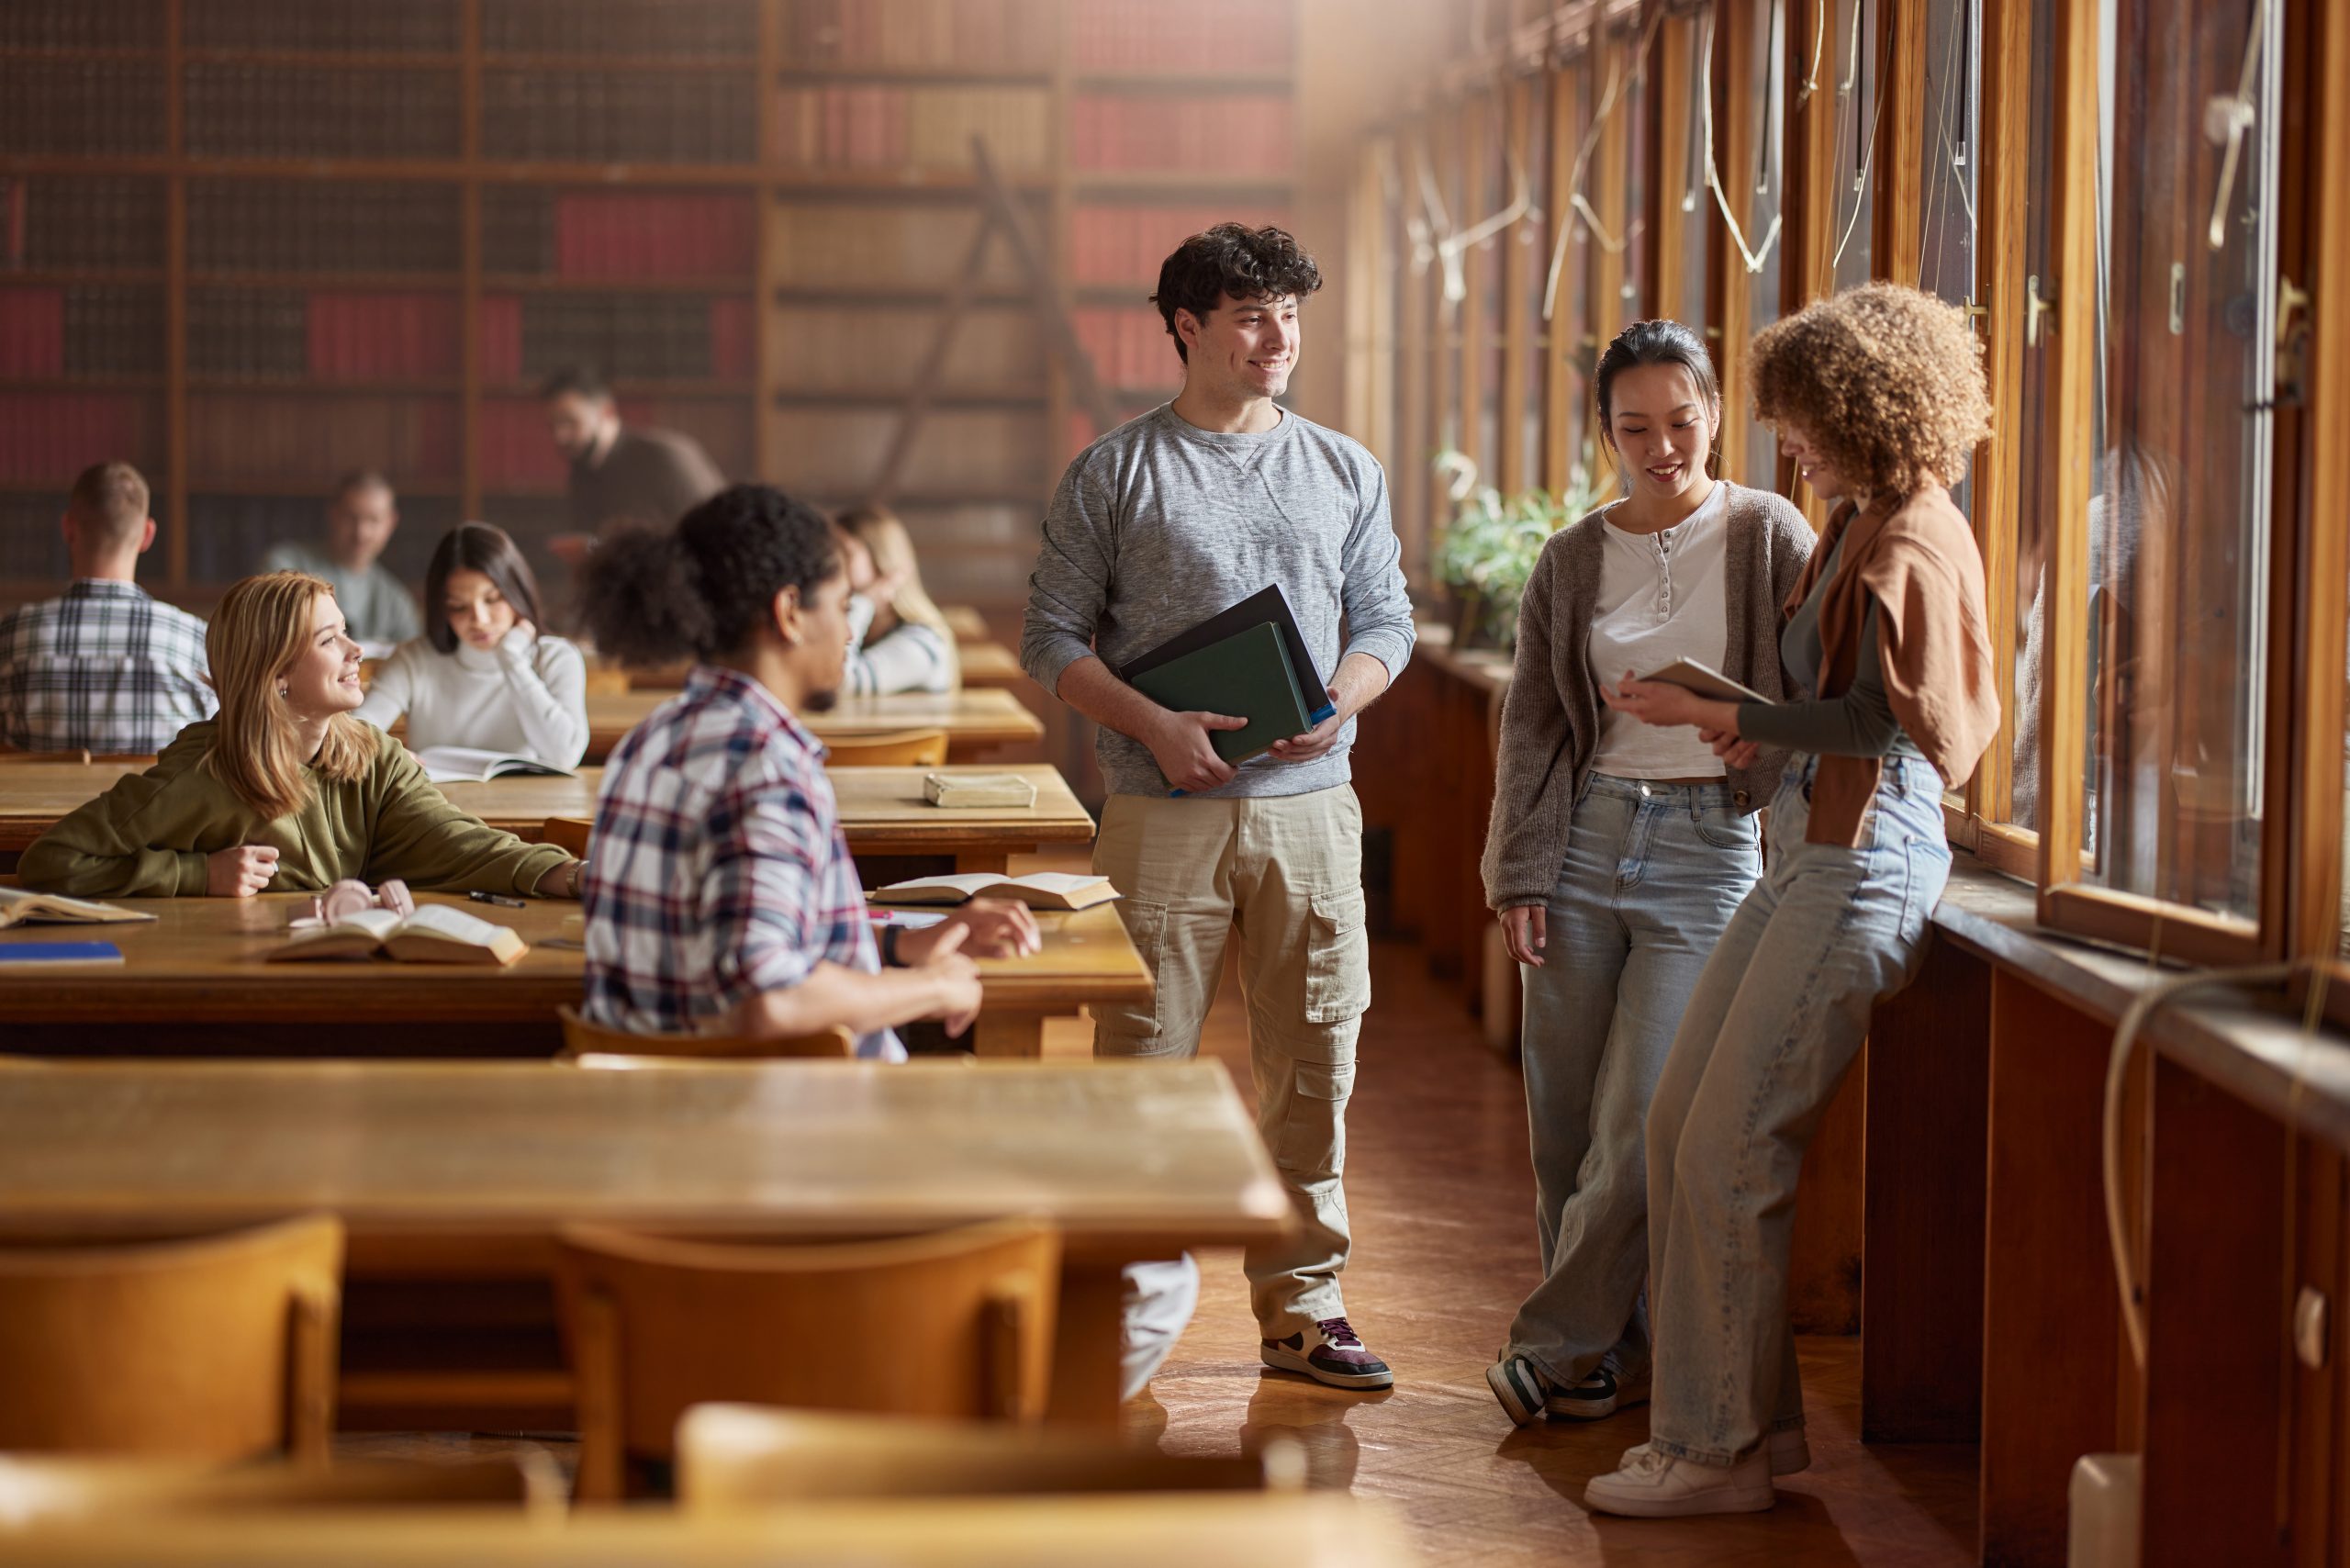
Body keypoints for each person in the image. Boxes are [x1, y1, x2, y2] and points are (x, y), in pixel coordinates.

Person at [1583, 282, 1998, 1518]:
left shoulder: (1914, 533)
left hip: (1864, 859)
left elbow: (1891, 722)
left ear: (1865, 407)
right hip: (1811, 842)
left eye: (1802, 420)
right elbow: (1841, 708)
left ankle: (1708, 1455)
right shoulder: (1863, 515)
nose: (1787, 444)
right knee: (1675, 1132)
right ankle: (1749, 1437)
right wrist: (1749, 724)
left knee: (1727, 1144)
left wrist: (1732, 714)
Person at [1020, 222, 1417, 1392]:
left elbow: (1383, 622)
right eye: (1250, 315)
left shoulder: (1345, 467)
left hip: (1310, 806)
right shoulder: (1114, 471)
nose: (1277, 337)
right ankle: (1119, 1305)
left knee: (1315, 1064)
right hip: (1158, 812)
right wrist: (1153, 725)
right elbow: (1050, 638)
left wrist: (1341, 701)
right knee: (1140, 1059)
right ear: (1185, 327)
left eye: (1290, 313)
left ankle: (1305, 1309)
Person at [1478, 321, 1812, 1430]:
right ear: (1605, 430)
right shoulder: (1571, 556)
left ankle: (1546, 1342)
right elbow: (1531, 724)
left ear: (1713, 411)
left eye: (1680, 421)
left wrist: (1750, 736)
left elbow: (1821, 701)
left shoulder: (1769, 533)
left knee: (1640, 1121)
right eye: (1635, 427)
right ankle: (1598, 1364)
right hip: (1580, 841)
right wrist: (1517, 868)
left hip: (1706, 848)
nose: (1661, 446)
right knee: (1563, 1127)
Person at [574, 483, 1036, 1059]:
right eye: (843, 606)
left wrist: (904, 944)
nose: (849, 631)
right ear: (789, 612)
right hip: (782, 1123)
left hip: (653, 1110)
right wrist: (932, 985)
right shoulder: (767, 767)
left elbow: (732, 934)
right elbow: (769, 997)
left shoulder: (649, 739)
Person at [18, 570, 582, 901]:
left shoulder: (373, 757)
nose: (356, 651)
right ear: (277, 673)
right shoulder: (201, 776)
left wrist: (567, 874)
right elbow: (51, 861)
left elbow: (459, 842)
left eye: (347, 633)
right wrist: (196, 874)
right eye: (329, 639)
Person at [0, 461, 214, 755]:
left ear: (68, 528)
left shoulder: (12, 637)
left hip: (36, 801)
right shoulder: (195, 641)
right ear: (147, 535)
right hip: (153, 802)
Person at [354, 522, 589, 770]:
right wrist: (389, 755)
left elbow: (565, 756)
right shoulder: (415, 658)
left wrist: (512, 659)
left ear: (516, 592)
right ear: (442, 609)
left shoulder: (556, 658)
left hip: (528, 806)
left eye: (492, 599)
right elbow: (359, 729)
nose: (480, 620)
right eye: (459, 607)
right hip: (436, 806)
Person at [543, 365, 726, 553]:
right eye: (552, 425)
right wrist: (584, 547)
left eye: (570, 421)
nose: (559, 436)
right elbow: (606, 545)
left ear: (607, 412)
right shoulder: (582, 471)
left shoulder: (665, 456)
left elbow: (720, 535)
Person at [259, 470, 422, 650]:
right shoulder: (283, 566)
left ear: (391, 523)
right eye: (351, 517)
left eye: (373, 520)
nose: (361, 533)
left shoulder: (397, 602)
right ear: (333, 514)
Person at [835, 505, 960, 697]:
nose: (832, 564)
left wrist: (863, 603)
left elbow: (838, 683)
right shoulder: (866, 629)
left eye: (846, 553)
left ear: (882, 561)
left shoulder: (921, 642)